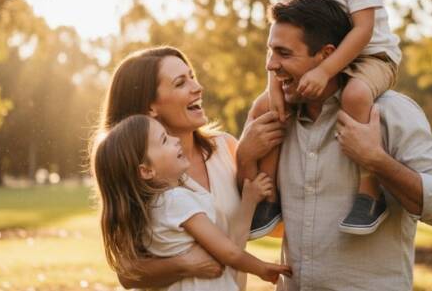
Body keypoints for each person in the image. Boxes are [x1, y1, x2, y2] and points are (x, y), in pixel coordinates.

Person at [237, 0, 432, 291]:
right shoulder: (275, 123)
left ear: (326, 55)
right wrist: (244, 156)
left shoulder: (391, 113)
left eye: (284, 53)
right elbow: (248, 219)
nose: (271, 65)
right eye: (271, 52)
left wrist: (376, 161)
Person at [248, 0, 402, 237]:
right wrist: (273, 85)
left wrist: (325, 70)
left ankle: (370, 192)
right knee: (265, 107)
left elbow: (363, 30)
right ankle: (269, 196)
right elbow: (278, 34)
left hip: (371, 57)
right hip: (320, 61)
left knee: (355, 95)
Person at [94, 46, 266, 289]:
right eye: (180, 83)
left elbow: (268, 218)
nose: (197, 87)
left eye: (192, 77)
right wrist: (184, 264)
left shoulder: (226, 147)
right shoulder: (142, 176)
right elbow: (127, 271)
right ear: (150, 107)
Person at [90, 114, 291, 290]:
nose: (175, 140)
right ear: (146, 170)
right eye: (164, 140)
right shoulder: (177, 201)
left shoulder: (148, 209)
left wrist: (249, 200)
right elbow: (228, 252)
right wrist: (261, 268)